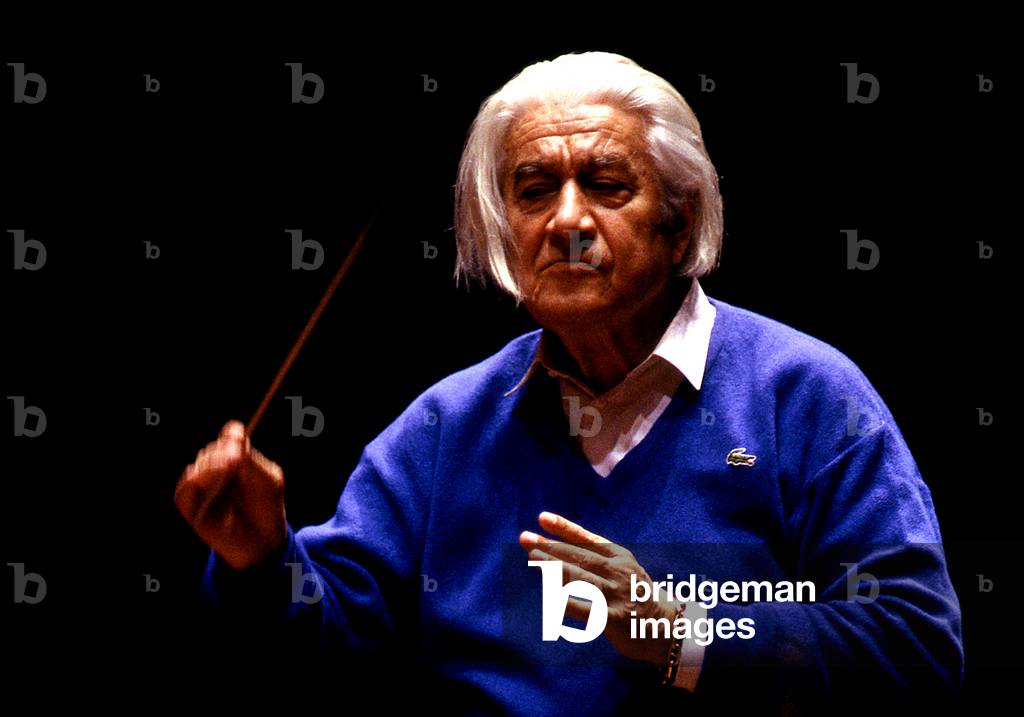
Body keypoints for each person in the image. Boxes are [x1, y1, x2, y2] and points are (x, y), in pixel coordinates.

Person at [174, 52, 963, 714]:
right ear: (503, 232)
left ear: (680, 221)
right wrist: (258, 561)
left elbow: (916, 643)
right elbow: (324, 650)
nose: (567, 219)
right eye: (534, 188)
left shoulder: (805, 395)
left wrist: (683, 635)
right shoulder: (446, 426)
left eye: (607, 184)